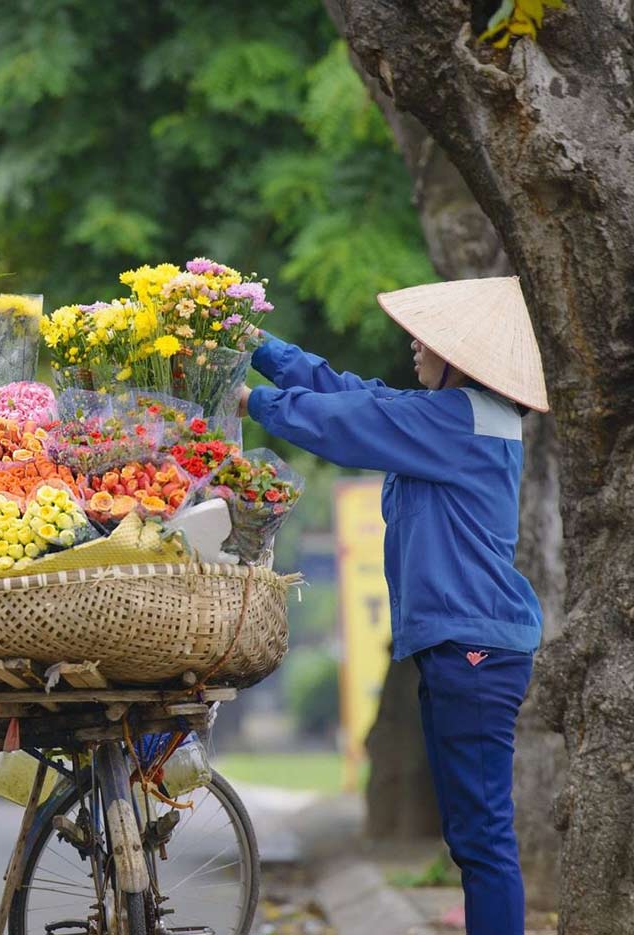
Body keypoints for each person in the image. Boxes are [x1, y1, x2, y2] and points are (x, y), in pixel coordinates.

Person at [236, 276, 546, 935]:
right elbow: (352, 394)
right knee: (472, 835)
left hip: (477, 651)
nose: (413, 346)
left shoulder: (457, 421)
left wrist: (252, 401)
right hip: (467, 649)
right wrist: (248, 341)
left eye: (426, 339)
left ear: (460, 357)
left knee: (484, 837)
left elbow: (348, 422)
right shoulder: (454, 414)